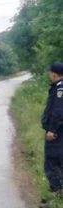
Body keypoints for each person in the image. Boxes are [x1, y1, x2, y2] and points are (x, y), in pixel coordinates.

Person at [41, 62, 63, 198]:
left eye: (50, 73)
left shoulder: (60, 88)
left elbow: (58, 111)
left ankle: (56, 194)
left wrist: (52, 130)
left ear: (54, 74)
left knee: (52, 161)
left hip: (57, 133)